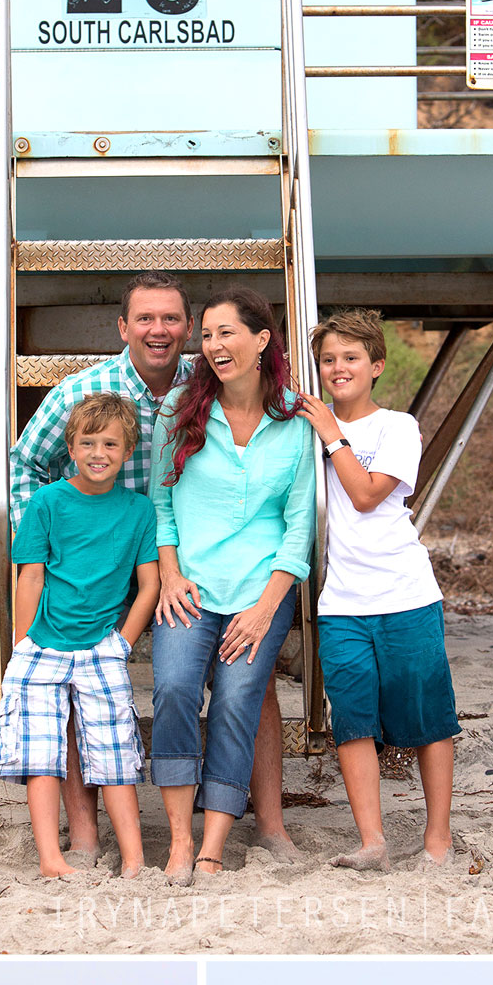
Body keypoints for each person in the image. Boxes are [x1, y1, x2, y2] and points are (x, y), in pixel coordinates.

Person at [5, 275, 293, 868]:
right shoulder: (83, 392)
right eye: (144, 319)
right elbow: (24, 465)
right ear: (122, 327)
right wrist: (54, 543)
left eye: (170, 320)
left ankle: (268, 822)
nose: (158, 330)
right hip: (95, 567)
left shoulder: (206, 386)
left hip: (176, 561)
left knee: (250, 680)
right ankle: (85, 831)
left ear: (187, 329)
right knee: (72, 678)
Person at [149, 288, 315, 881]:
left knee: (240, 698)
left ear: (262, 339)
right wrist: (169, 575)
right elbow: (161, 505)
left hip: (260, 593)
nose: (214, 347)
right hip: (188, 588)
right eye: (208, 336)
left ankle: (214, 844)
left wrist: (267, 608)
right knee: (171, 688)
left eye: (227, 334)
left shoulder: (295, 420)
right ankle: (177, 841)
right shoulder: (179, 410)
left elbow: (300, 526)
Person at [294, 308, 459, 872]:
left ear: (377, 365)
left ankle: (438, 839)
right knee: (353, 719)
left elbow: (365, 496)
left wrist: (332, 436)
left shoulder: (397, 427)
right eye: (328, 360)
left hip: (405, 594)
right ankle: (373, 841)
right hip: (340, 600)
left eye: (351, 358)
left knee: (428, 717)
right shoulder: (307, 430)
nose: (338, 368)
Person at [0, 392, 158, 879]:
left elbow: (149, 584)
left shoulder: (138, 511)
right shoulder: (47, 502)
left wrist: (124, 643)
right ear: (71, 446)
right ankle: (52, 859)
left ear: (128, 451)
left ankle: (133, 858)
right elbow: (30, 576)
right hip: (42, 646)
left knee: (114, 752)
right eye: (87, 442)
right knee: (41, 754)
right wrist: (22, 645)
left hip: (101, 650)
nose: (98, 453)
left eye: (110, 444)